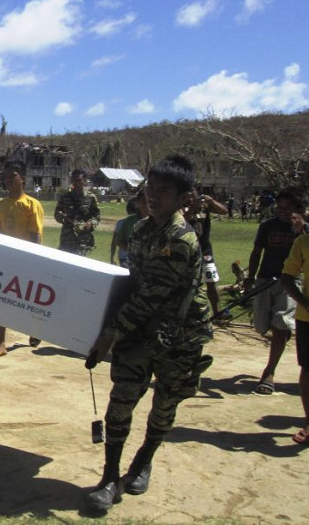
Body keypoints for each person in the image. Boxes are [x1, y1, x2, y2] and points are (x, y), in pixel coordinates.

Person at [84, 155, 212, 511]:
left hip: (179, 337)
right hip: (138, 334)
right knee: (120, 404)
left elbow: (150, 297)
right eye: (149, 189)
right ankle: (110, 477)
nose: (153, 197)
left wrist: (109, 334)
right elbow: (131, 287)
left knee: (164, 405)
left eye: (164, 191)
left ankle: (143, 460)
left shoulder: (181, 240)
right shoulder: (140, 231)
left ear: (183, 197)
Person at [244, 187, 306, 395]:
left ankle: (268, 373)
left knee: (279, 324)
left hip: (290, 282)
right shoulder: (268, 226)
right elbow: (256, 252)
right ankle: (283, 333)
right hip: (265, 279)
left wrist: (303, 228)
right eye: (279, 207)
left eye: (287, 208)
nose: (282, 212)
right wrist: (250, 278)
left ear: (300, 208)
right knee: (262, 326)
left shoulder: (305, 230)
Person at [0, 161, 45, 359]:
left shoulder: (31, 204)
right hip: (5, 260)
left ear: (23, 179)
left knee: (28, 300)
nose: (9, 180)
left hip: (27, 260)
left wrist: (33, 261)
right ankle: (1, 344)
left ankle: (35, 329)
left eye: (13, 176)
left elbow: (35, 235)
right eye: (6, 176)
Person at [280, 214, 309, 445]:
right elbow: (287, 277)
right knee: (308, 370)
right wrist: (305, 302)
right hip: (307, 317)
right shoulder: (303, 242)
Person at [183, 189, 229, 318]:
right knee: (188, 282)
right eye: (188, 195)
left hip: (205, 250)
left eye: (193, 194)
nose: (191, 197)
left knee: (211, 279)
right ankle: (188, 312)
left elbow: (224, 211)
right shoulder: (180, 207)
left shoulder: (204, 207)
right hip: (187, 250)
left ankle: (217, 311)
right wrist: (192, 208)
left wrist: (211, 201)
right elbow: (180, 222)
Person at [54, 169, 101, 255]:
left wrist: (91, 224)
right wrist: (60, 216)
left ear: (84, 181)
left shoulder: (91, 197)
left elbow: (97, 215)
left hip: (82, 240)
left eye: (79, 180)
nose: (76, 182)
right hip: (67, 239)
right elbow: (57, 213)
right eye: (73, 180)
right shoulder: (65, 197)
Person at [110, 192, 147, 268]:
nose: (146, 204)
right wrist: (133, 252)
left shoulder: (159, 220)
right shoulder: (129, 221)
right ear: (138, 203)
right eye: (143, 201)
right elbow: (117, 240)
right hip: (127, 259)